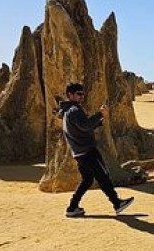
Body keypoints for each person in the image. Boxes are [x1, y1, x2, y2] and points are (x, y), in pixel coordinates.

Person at [58, 83, 135, 217]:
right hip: (87, 151)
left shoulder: (68, 111)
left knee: (87, 179)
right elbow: (84, 126)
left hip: (79, 152)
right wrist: (100, 114)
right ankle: (117, 203)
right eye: (78, 94)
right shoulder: (74, 110)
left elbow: (81, 128)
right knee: (103, 175)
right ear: (70, 95)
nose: (82, 96)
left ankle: (72, 207)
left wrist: (97, 123)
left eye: (83, 94)